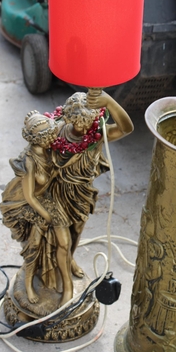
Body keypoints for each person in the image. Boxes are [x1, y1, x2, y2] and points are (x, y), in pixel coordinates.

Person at [50, 89, 134, 278]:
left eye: (86, 125)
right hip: (57, 190)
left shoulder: (96, 135)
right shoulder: (57, 131)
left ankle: (69, 258)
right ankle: (53, 266)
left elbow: (126, 128)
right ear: (69, 117)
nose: (81, 130)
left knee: (77, 228)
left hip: (82, 191)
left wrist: (109, 102)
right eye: (77, 125)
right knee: (56, 234)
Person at [0, 111, 74, 308]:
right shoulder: (29, 161)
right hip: (27, 205)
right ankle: (29, 284)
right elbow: (30, 196)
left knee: (64, 242)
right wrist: (45, 215)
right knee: (34, 245)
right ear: (42, 139)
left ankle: (66, 283)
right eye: (51, 134)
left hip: (47, 199)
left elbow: (63, 121)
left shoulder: (47, 150)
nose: (55, 136)